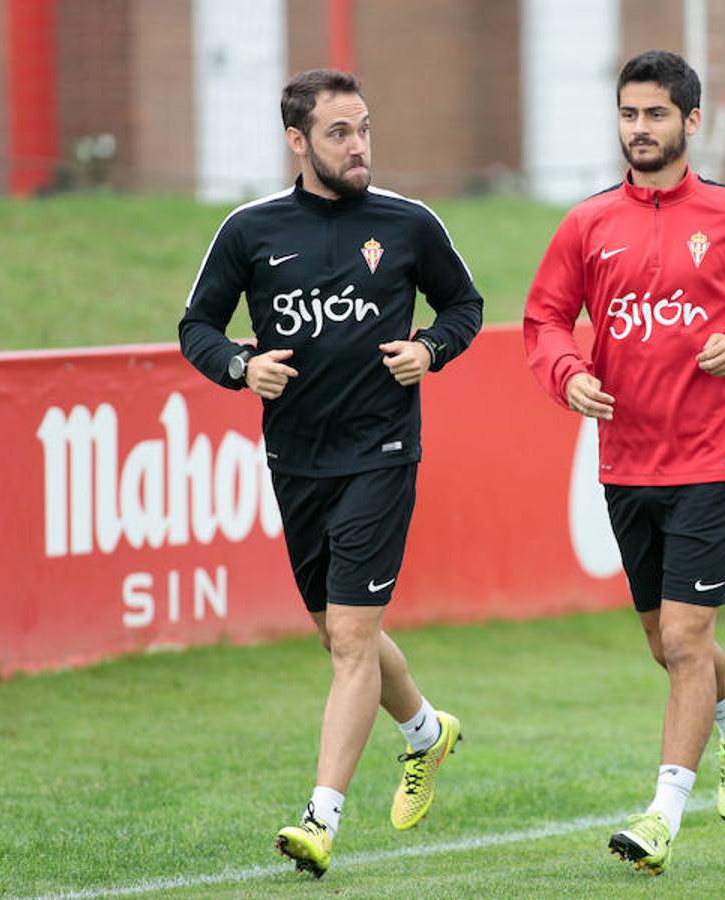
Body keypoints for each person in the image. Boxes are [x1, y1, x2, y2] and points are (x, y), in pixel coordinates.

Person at [179, 69, 483, 879]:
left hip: (382, 454)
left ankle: (321, 818)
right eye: (340, 132)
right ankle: (426, 732)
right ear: (298, 141)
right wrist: (241, 367)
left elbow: (465, 307)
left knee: (351, 636)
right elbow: (197, 326)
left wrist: (430, 349)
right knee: (338, 634)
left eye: (365, 128)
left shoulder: (409, 223)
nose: (359, 147)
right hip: (296, 461)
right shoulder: (251, 230)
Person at [523, 50, 725, 875]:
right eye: (628, 115)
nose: (639, 129)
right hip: (625, 461)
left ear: (691, 122)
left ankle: (660, 816)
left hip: (716, 456)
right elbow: (544, 319)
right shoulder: (586, 224)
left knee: (687, 637)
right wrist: (568, 374)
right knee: (667, 643)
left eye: (655, 115)